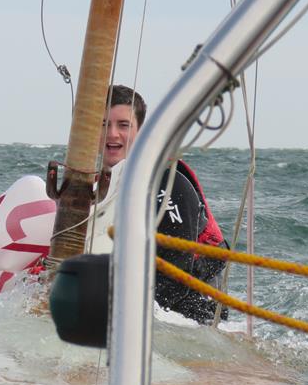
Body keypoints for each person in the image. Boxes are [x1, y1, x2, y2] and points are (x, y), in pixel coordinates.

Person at [96, 85, 229, 324]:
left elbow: (175, 279)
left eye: (123, 125)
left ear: (140, 132)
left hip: (191, 319)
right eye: (103, 124)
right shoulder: (92, 188)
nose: (112, 134)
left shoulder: (169, 186)